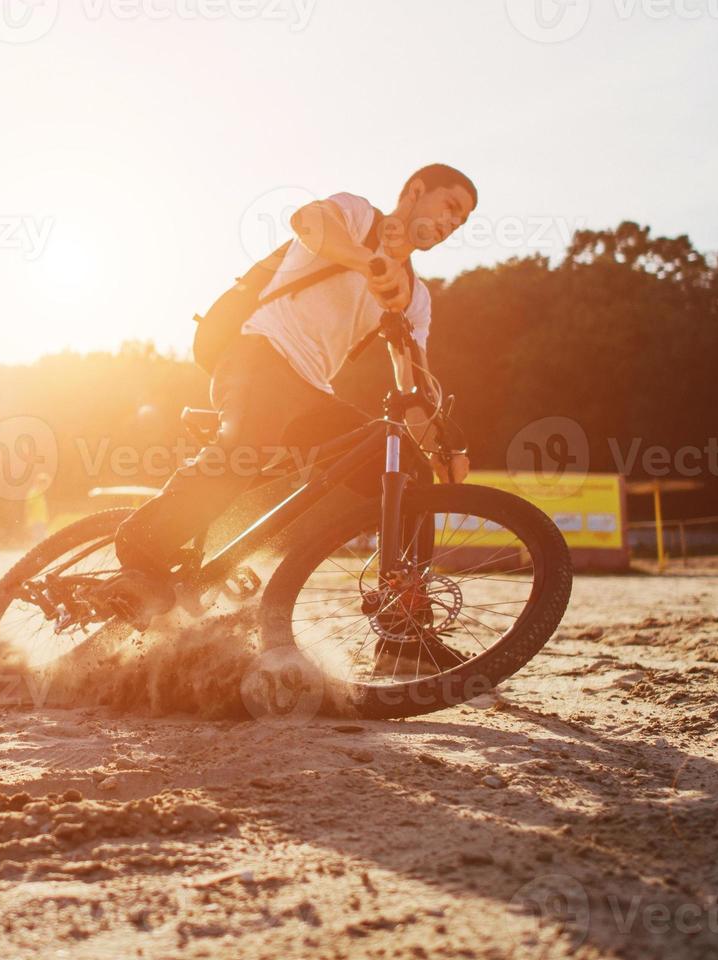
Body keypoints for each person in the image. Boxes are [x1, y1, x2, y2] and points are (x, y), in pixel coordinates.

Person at [110, 164, 478, 653]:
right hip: (257, 353)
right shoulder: (355, 214)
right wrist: (370, 263)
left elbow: (414, 382)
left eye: (465, 219)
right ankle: (143, 547)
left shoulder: (417, 296)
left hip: (311, 390)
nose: (455, 222)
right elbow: (308, 221)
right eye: (451, 206)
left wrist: (439, 445)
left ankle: (403, 631)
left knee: (406, 473)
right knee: (247, 447)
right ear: (415, 192)